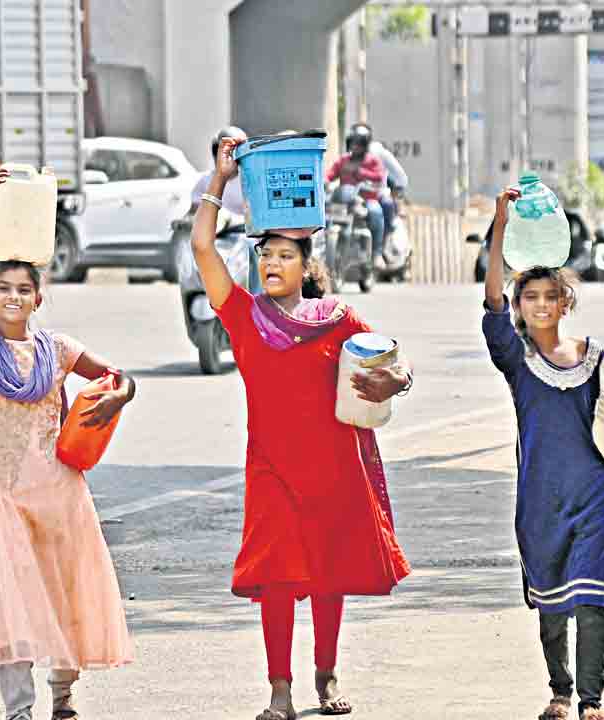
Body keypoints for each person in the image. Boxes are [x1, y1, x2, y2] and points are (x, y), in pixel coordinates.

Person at [193, 135, 412, 720]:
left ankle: (326, 671)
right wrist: (220, 180)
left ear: (304, 266)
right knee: (278, 579)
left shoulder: (337, 319)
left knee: (327, 576)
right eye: (265, 255)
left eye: (284, 256)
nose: (271, 264)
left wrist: (392, 383)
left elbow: (395, 362)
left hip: (335, 466)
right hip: (270, 469)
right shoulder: (242, 317)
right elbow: (202, 248)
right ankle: (279, 688)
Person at [0, 169, 136, 720]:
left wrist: (119, 395)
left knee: (63, 593)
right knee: (11, 600)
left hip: (57, 489)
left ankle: (63, 693)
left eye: (23, 290)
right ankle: (18, 709)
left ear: (37, 298)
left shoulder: (58, 349)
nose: (12, 296)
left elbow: (119, 376)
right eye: (3, 288)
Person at [483, 187, 604, 720]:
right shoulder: (517, 362)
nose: (540, 304)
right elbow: (491, 301)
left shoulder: (599, 359)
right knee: (552, 604)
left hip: (594, 496)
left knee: (591, 598)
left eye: (550, 296)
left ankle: (590, 701)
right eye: (530, 297)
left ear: (567, 302)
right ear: (521, 305)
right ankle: (558, 692)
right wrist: (498, 227)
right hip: (539, 503)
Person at [326, 126, 388, 269]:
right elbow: (330, 173)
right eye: (353, 143)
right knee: (326, 208)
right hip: (345, 201)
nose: (356, 146)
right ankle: (323, 248)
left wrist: (362, 173)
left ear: (365, 145)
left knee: (376, 211)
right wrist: (325, 181)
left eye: (359, 143)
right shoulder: (343, 160)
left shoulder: (372, 160)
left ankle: (377, 254)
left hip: (365, 200)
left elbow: (380, 176)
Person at [350, 122, 407, 238]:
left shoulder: (379, 153)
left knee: (387, 205)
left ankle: (381, 246)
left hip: (376, 194)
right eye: (355, 138)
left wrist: (397, 192)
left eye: (362, 139)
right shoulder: (348, 154)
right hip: (354, 195)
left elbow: (400, 176)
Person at [192, 125, 249, 217]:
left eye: (230, 153)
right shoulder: (205, 181)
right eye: (217, 152)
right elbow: (194, 211)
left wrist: (229, 218)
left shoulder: (251, 181)